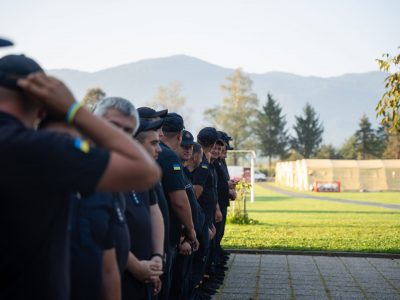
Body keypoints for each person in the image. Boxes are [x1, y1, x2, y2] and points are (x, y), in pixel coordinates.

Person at [0, 54, 160, 300]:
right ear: (40, 102)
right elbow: (146, 171)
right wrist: (73, 109)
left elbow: (108, 261)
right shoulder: (34, 149)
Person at [121, 118, 167, 300]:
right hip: (122, 275)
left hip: (147, 271)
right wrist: (137, 267)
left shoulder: (142, 174)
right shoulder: (112, 174)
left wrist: (157, 257)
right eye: (154, 143)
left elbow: (155, 213)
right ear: (134, 144)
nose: (160, 149)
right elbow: (106, 232)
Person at [156, 113, 199, 300]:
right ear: (180, 135)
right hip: (167, 236)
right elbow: (179, 201)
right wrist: (190, 230)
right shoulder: (168, 156)